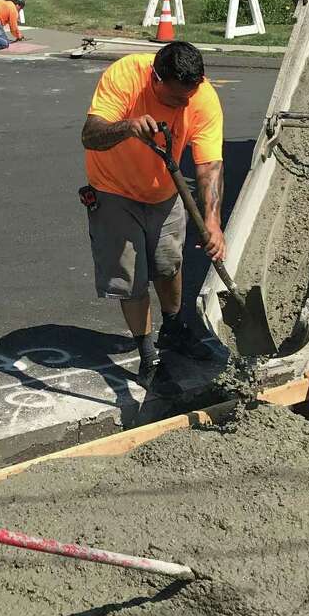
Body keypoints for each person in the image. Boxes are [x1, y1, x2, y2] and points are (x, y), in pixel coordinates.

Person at [79, 41, 225, 379]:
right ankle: (147, 354)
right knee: (130, 278)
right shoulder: (126, 75)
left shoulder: (202, 98)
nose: (181, 105)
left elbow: (209, 166)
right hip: (113, 189)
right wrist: (128, 126)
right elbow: (91, 135)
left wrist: (213, 223)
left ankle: (173, 329)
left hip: (164, 193)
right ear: (154, 78)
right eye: (173, 98)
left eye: (187, 98)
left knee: (168, 265)